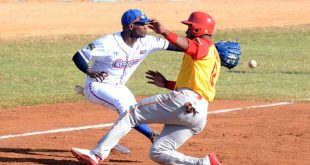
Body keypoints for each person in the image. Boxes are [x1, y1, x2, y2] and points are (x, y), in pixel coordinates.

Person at [71, 11, 222, 165]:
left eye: (190, 27)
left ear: (198, 29)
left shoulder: (202, 47)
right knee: (158, 152)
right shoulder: (211, 52)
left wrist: (164, 31)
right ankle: (205, 163)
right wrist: (168, 84)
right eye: (142, 24)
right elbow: (187, 56)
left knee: (131, 113)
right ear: (131, 26)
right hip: (198, 113)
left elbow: (188, 46)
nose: (186, 31)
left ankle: (96, 155)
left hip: (185, 101)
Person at [72, 9, 180, 153]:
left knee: (135, 112)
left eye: (146, 24)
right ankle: (151, 136)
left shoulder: (147, 42)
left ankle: (109, 140)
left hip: (120, 88)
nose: (146, 27)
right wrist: (90, 71)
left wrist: (201, 48)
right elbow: (78, 56)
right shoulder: (107, 43)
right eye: (142, 24)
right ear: (130, 26)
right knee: (126, 109)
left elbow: (176, 46)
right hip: (97, 86)